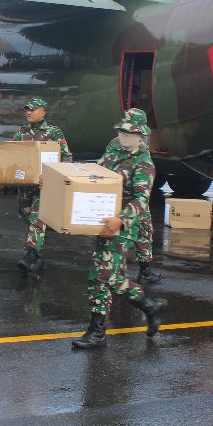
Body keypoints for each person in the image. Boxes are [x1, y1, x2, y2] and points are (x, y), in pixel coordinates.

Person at [72, 109, 167, 349]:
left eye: (129, 133)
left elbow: (142, 201)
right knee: (103, 275)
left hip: (125, 224)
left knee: (104, 274)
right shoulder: (114, 146)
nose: (123, 136)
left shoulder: (144, 164)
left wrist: (121, 220)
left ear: (140, 135)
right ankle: (143, 307)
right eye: (121, 131)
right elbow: (99, 171)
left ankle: (102, 329)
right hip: (104, 217)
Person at [8, 98, 71, 275]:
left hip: (45, 186)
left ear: (43, 112)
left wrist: (55, 179)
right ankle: (38, 258)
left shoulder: (53, 133)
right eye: (27, 109)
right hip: (25, 185)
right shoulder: (22, 132)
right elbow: (8, 152)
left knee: (38, 218)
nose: (29, 112)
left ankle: (30, 253)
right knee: (26, 215)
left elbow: (66, 157)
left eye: (33, 110)